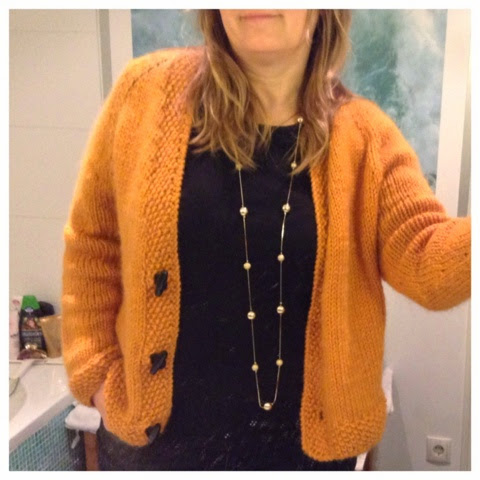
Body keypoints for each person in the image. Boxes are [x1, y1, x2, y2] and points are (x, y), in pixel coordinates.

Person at [61, 9, 471, 471]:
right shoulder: (145, 95)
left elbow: (428, 260)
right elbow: (93, 242)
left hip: (302, 460)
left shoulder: (366, 140)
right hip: (155, 457)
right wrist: (95, 370)